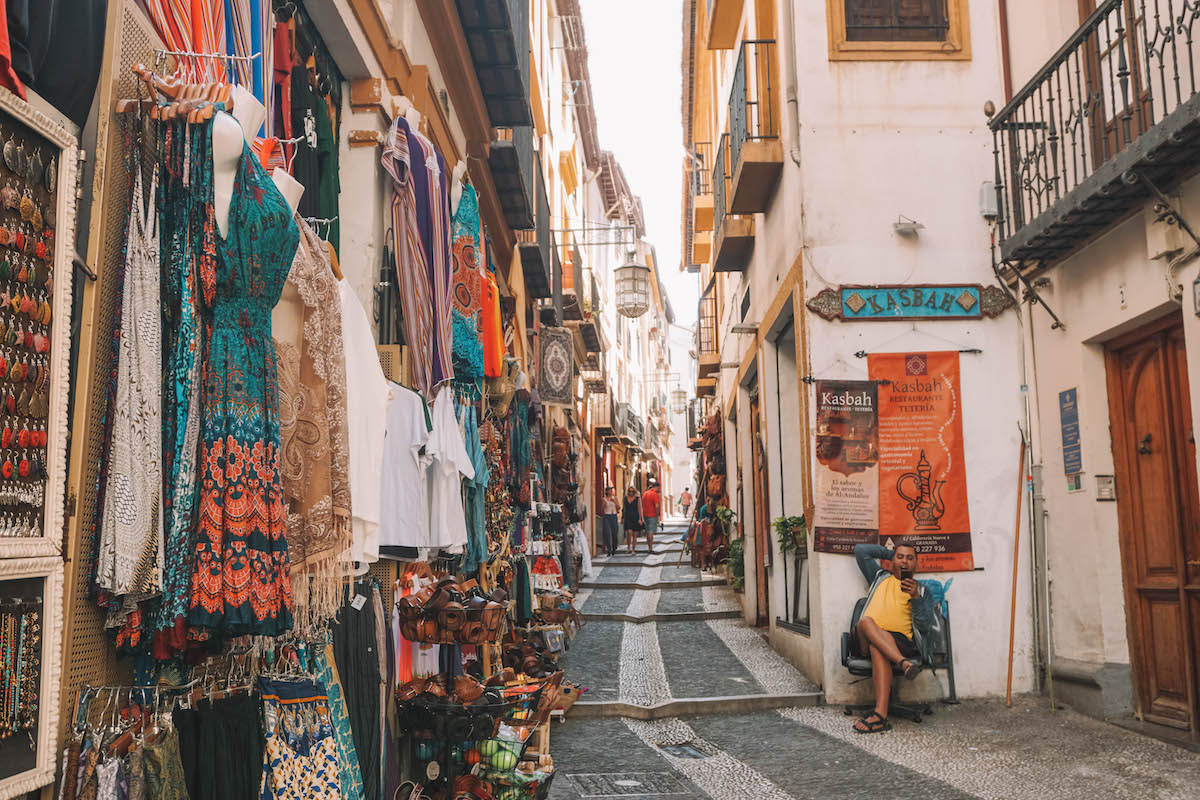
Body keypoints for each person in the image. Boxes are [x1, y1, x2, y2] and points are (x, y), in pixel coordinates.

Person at [850, 542, 934, 734]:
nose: (905, 561)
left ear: (917, 564)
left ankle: (880, 716)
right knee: (865, 622)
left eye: (910, 558)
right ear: (892, 560)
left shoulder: (922, 590)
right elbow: (861, 550)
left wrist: (916, 598)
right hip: (864, 637)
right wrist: (893, 553)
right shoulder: (879, 577)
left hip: (900, 641)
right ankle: (904, 664)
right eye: (900, 557)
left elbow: (924, 625)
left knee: (877, 647)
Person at [622, 486, 644, 554]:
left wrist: (640, 519)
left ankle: (633, 550)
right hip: (628, 517)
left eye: (632, 491)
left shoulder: (637, 499)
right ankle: (628, 547)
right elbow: (624, 509)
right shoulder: (625, 498)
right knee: (629, 533)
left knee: (635, 534)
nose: (631, 493)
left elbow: (640, 509)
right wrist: (622, 518)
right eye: (630, 491)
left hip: (635, 517)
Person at [641, 480, 661, 551]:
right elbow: (656, 506)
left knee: (647, 531)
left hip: (645, 514)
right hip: (652, 515)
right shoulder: (654, 494)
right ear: (657, 487)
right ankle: (650, 548)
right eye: (659, 488)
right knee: (651, 532)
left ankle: (649, 547)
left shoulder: (645, 493)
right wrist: (657, 515)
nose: (659, 490)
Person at [600, 487, 620, 557]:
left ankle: (614, 548)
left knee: (614, 532)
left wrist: (614, 501)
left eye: (611, 490)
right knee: (607, 533)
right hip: (607, 516)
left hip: (614, 516)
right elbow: (602, 509)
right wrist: (604, 504)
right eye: (609, 490)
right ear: (607, 491)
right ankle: (609, 549)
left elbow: (619, 507)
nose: (611, 491)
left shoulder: (615, 498)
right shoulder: (604, 499)